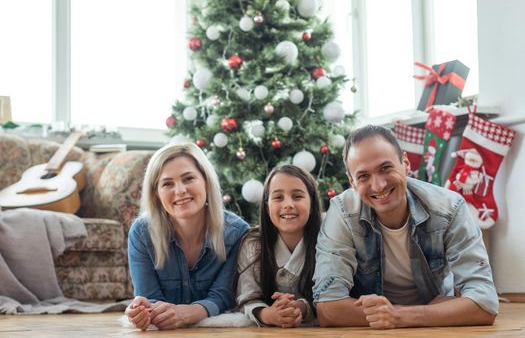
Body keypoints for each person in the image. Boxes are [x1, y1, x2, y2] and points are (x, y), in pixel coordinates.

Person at [313, 125, 498, 329]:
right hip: (425, 319)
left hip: (426, 327)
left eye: (385, 168)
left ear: (406, 163)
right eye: (363, 176)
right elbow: (327, 307)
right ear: (352, 182)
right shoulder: (342, 212)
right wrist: (422, 314)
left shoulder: (449, 207)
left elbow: (485, 302)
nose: (378, 185)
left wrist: (399, 316)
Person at [125, 142, 249, 330]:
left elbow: (223, 295)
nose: (180, 190)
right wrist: (141, 311)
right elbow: (148, 295)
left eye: (188, 178)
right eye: (167, 184)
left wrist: (188, 313)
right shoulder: (141, 233)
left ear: (206, 181)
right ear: (156, 193)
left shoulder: (237, 232)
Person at [236, 165, 322, 327]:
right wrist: (268, 314)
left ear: (312, 204)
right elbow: (246, 297)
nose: (288, 204)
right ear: (267, 207)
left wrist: (301, 308)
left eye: (297, 196)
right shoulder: (253, 243)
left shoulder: (327, 239)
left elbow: (333, 294)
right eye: (278, 197)